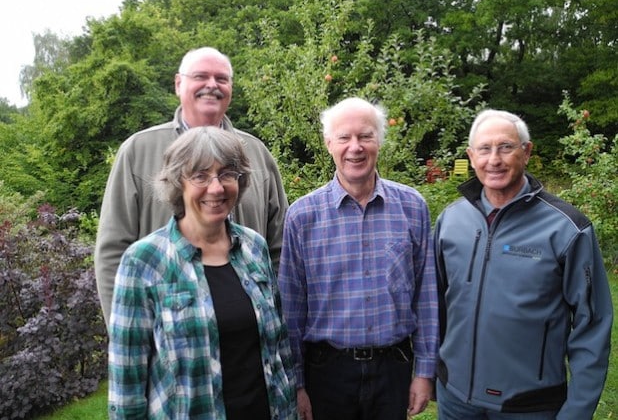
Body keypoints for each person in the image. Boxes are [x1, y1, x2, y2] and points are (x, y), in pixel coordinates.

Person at [107, 126, 297, 419]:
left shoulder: (253, 248)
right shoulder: (144, 261)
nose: (216, 187)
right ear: (176, 183)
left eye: (227, 174)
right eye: (200, 176)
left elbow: (279, 346)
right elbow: (126, 381)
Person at [434, 109, 613, 419]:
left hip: (529, 404)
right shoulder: (450, 220)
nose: (494, 160)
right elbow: (434, 304)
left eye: (506, 147)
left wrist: (577, 410)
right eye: (484, 149)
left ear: (526, 152)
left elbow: (592, 324)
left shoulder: (567, 229)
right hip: (455, 400)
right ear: (470, 156)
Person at [95, 47, 288, 326]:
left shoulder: (257, 153)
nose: (212, 85)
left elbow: (280, 248)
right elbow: (113, 250)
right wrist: (129, 334)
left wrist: (273, 320)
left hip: (248, 338)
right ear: (178, 84)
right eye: (201, 76)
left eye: (221, 79)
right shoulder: (138, 151)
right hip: (170, 341)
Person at [278, 97, 439, 420]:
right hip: (326, 372)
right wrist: (296, 384)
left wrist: (424, 372)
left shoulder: (412, 207)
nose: (356, 147)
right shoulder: (302, 216)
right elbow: (291, 308)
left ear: (379, 140)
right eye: (344, 138)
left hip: (393, 368)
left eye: (365, 136)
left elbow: (426, 296)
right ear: (328, 144)